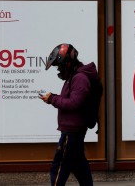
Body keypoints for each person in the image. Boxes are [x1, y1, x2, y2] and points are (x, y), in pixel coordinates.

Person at [40, 43, 98, 186]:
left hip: (72, 132)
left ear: (67, 63)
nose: (59, 69)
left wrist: (52, 99)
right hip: (73, 130)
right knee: (79, 166)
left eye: (59, 66)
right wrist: (53, 97)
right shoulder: (74, 76)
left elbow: (74, 103)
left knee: (59, 167)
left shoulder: (80, 78)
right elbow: (72, 99)